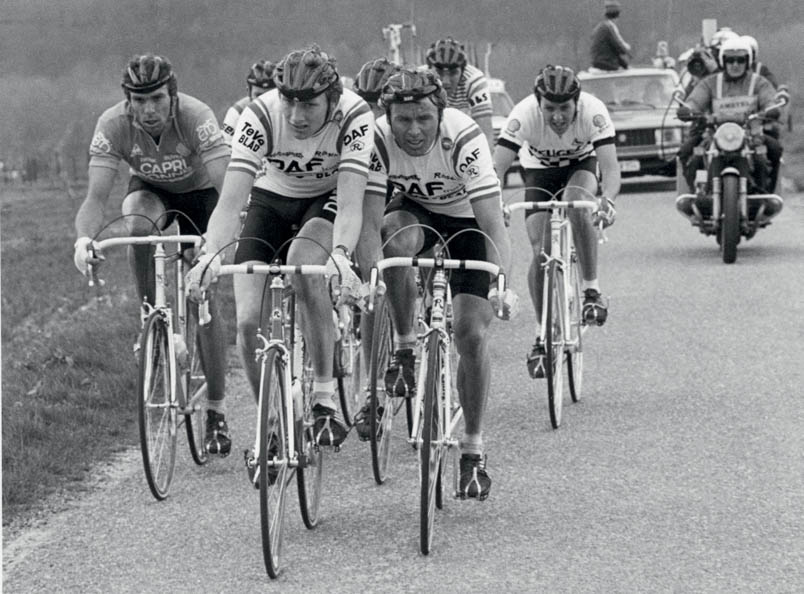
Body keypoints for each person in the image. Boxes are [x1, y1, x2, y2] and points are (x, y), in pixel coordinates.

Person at [185, 45, 372, 453]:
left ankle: (323, 398)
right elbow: (231, 203)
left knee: (304, 267)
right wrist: (208, 253)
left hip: (325, 200)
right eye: (290, 102)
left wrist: (341, 253)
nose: (297, 116)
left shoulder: (355, 115)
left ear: (333, 99)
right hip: (270, 200)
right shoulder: (261, 114)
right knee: (248, 323)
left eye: (309, 105)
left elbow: (353, 202)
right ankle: (271, 422)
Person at [361, 68, 516, 499]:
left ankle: (473, 449)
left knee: (470, 333)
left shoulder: (465, 139)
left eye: (424, 119)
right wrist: (368, 276)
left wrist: (503, 281)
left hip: (470, 220)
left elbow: (493, 225)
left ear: (440, 113)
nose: (413, 130)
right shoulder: (375, 139)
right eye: (403, 120)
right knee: (394, 235)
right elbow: (370, 222)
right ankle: (407, 347)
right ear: (387, 116)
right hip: (418, 211)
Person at [72, 54, 232, 455]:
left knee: (205, 299)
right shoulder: (112, 125)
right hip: (150, 190)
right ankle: (151, 317)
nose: (148, 110)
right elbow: (96, 198)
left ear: (173, 96)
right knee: (138, 225)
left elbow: (228, 189)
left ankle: (216, 410)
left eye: (157, 99)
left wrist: (214, 247)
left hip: (203, 197)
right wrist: (83, 239)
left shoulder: (197, 116)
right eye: (138, 101)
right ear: (127, 101)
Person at [492, 65, 618, 378]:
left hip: (580, 165)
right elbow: (495, 170)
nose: (558, 116)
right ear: (539, 105)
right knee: (541, 250)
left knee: (577, 205)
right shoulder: (523, 115)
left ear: (577, 103)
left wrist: (608, 201)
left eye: (565, 108)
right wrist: (494, 204)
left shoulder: (594, 112)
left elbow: (612, 170)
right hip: (538, 172)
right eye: (550, 109)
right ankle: (541, 334)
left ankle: (591, 290)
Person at [677, 37, 786, 193]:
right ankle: (694, 195)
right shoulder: (710, 83)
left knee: (772, 152)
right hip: (713, 135)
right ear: (723, 61)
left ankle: (766, 195)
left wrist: (771, 109)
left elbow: (769, 99)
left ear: (748, 61)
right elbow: (696, 100)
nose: (735, 64)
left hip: (751, 136)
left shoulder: (759, 82)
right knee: (688, 154)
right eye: (730, 60)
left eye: (740, 60)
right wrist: (689, 110)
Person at [425, 37, 495, 151]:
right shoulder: (420, 79)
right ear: (428, 69)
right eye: (439, 72)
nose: (446, 81)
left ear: (463, 71)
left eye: (453, 73)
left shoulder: (474, 80)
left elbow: (486, 134)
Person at [221, 60, 276, 145]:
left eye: (269, 95)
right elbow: (226, 152)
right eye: (258, 95)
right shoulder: (237, 113)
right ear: (248, 93)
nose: (264, 101)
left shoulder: (291, 113)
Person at [590, 0, 631, 71]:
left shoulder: (600, 27)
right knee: (623, 68)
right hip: (606, 62)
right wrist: (627, 48)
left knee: (624, 65)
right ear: (617, 15)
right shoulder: (609, 27)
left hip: (597, 62)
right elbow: (620, 47)